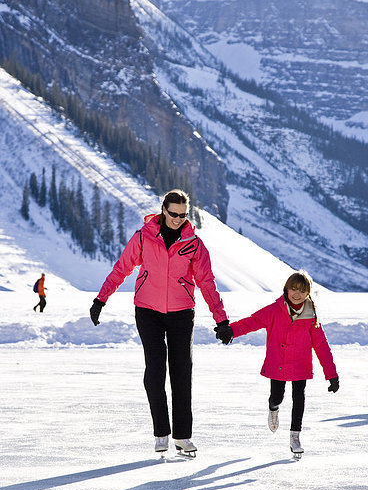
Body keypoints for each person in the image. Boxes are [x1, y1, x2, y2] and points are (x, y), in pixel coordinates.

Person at [90, 189, 229, 456]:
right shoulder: (144, 237)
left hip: (181, 312)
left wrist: (221, 319)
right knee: (155, 371)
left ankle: (183, 436)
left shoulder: (194, 244)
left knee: (181, 372)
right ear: (163, 210)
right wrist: (101, 299)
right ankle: (161, 433)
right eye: (173, 213)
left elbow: (207, 283)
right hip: (148, 311)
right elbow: (122, 267)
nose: (177, 219)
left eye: (182, 215)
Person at [215, 270, 339, 457]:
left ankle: (295, 436)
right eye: (293, 289)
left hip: (300, 364)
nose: (297, 294)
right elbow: (253, 321)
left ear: (308, 293)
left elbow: (321, 345)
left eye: (302, 291)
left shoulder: (311, 316)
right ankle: (273, 408)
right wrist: (231, 331)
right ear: (286, 289)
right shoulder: (274, 310)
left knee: (299, 398)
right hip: (278, 362)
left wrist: (332, 375)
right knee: (277, 397)